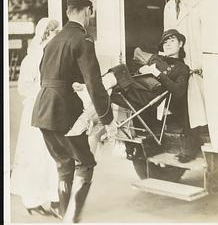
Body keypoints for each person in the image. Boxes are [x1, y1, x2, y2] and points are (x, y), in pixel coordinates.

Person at [31, 0, 117, 223]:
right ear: (89, 11)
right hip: (65, 112)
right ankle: (71, 219)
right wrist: (108, 120)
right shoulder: (83, 39)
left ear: (69, 11)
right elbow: (94, 84)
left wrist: (70, 83)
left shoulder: (53, 41)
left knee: (64, 163)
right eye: (91, 13)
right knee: (86, 163)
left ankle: (64, 215)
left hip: (42, 111)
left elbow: (45, 76)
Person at [69, 29, 190, 161]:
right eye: (165, 42)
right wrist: (141, 70)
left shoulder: (182, 68)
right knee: (106, 92)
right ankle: (85, 120)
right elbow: (139, 73)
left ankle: (90, 90)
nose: (168, 44)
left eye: (172, 40)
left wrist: (157, 74)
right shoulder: (157, 59)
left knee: (120, 70)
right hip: (136, 89)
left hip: (149, 96)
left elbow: (178, 91)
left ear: (181, 44)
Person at [11, 18, 60, 216]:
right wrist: (44, 92)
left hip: (53, 109)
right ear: (47, 34)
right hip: (36, 109)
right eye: (56, 32)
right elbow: (23, 87)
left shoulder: (55, 55)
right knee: (35, 153)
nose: (58, 36)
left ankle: (48, 197)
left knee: (50, 155)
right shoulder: (31, 58)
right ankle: (31, 199)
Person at [161, 0, 208, 161]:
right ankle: (188, 144)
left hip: (197, 63)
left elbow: (207, 34)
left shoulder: (199, 2)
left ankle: (195, 145)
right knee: (181, 105)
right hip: (179, 64)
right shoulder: (169, 6)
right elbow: (167, 36)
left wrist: (203, 62)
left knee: (199, 106)